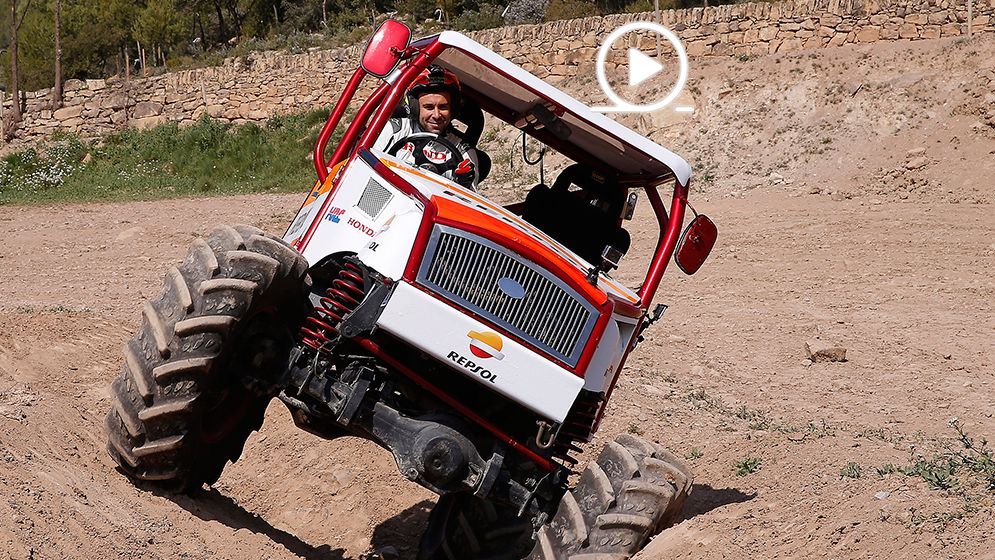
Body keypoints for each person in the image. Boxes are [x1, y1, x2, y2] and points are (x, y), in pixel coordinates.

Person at [373, 65, 481, 189]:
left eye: (443, 107)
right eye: (429, 107)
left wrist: (463, 185)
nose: (436, 115)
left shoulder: (464, 151)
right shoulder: (394, 130)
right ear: (415, 108)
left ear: (453, 109)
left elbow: (469, 200)